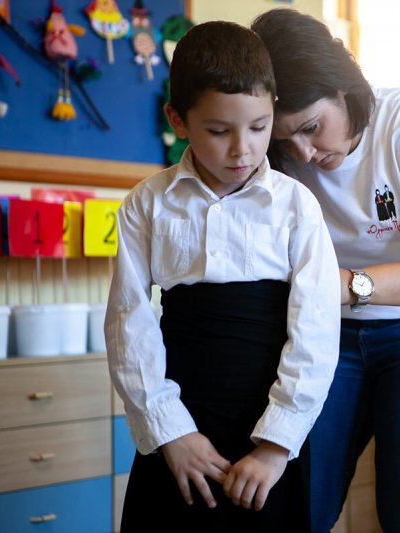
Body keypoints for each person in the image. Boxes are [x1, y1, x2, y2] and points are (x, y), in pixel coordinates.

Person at [252, 9, 400, 532]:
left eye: (313, 128)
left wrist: (349, 286)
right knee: (298, 502)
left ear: (344, 86)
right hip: (331, 334)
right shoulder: (278, 158)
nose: (305, 153)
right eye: (285, 139)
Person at [104, 20, 340, 532]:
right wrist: (172, 435)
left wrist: (276, 447)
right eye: (218, 131)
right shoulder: (147, 204)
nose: (242, 150)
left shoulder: (296, 206)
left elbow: (317, 333)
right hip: (180, 428)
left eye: (258, 127)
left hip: (268, 428)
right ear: (177, 119)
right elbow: (129, 325)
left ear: (273, 105)